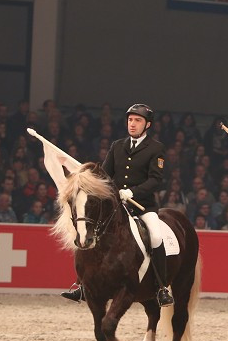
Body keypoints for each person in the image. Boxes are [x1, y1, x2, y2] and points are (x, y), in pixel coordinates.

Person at [61, 104, 174, 307]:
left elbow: (156, 180)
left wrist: (133, 192)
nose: (132, 124)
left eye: (137, 120)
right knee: (89, 233)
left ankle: (161, 288)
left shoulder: (156, 149)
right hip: (115, 207)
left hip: (141, 206)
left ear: (147, 125)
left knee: (156, 236)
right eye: (130, 120)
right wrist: (87, 178)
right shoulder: (117, 146)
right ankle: (82, 285)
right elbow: (104, 174)